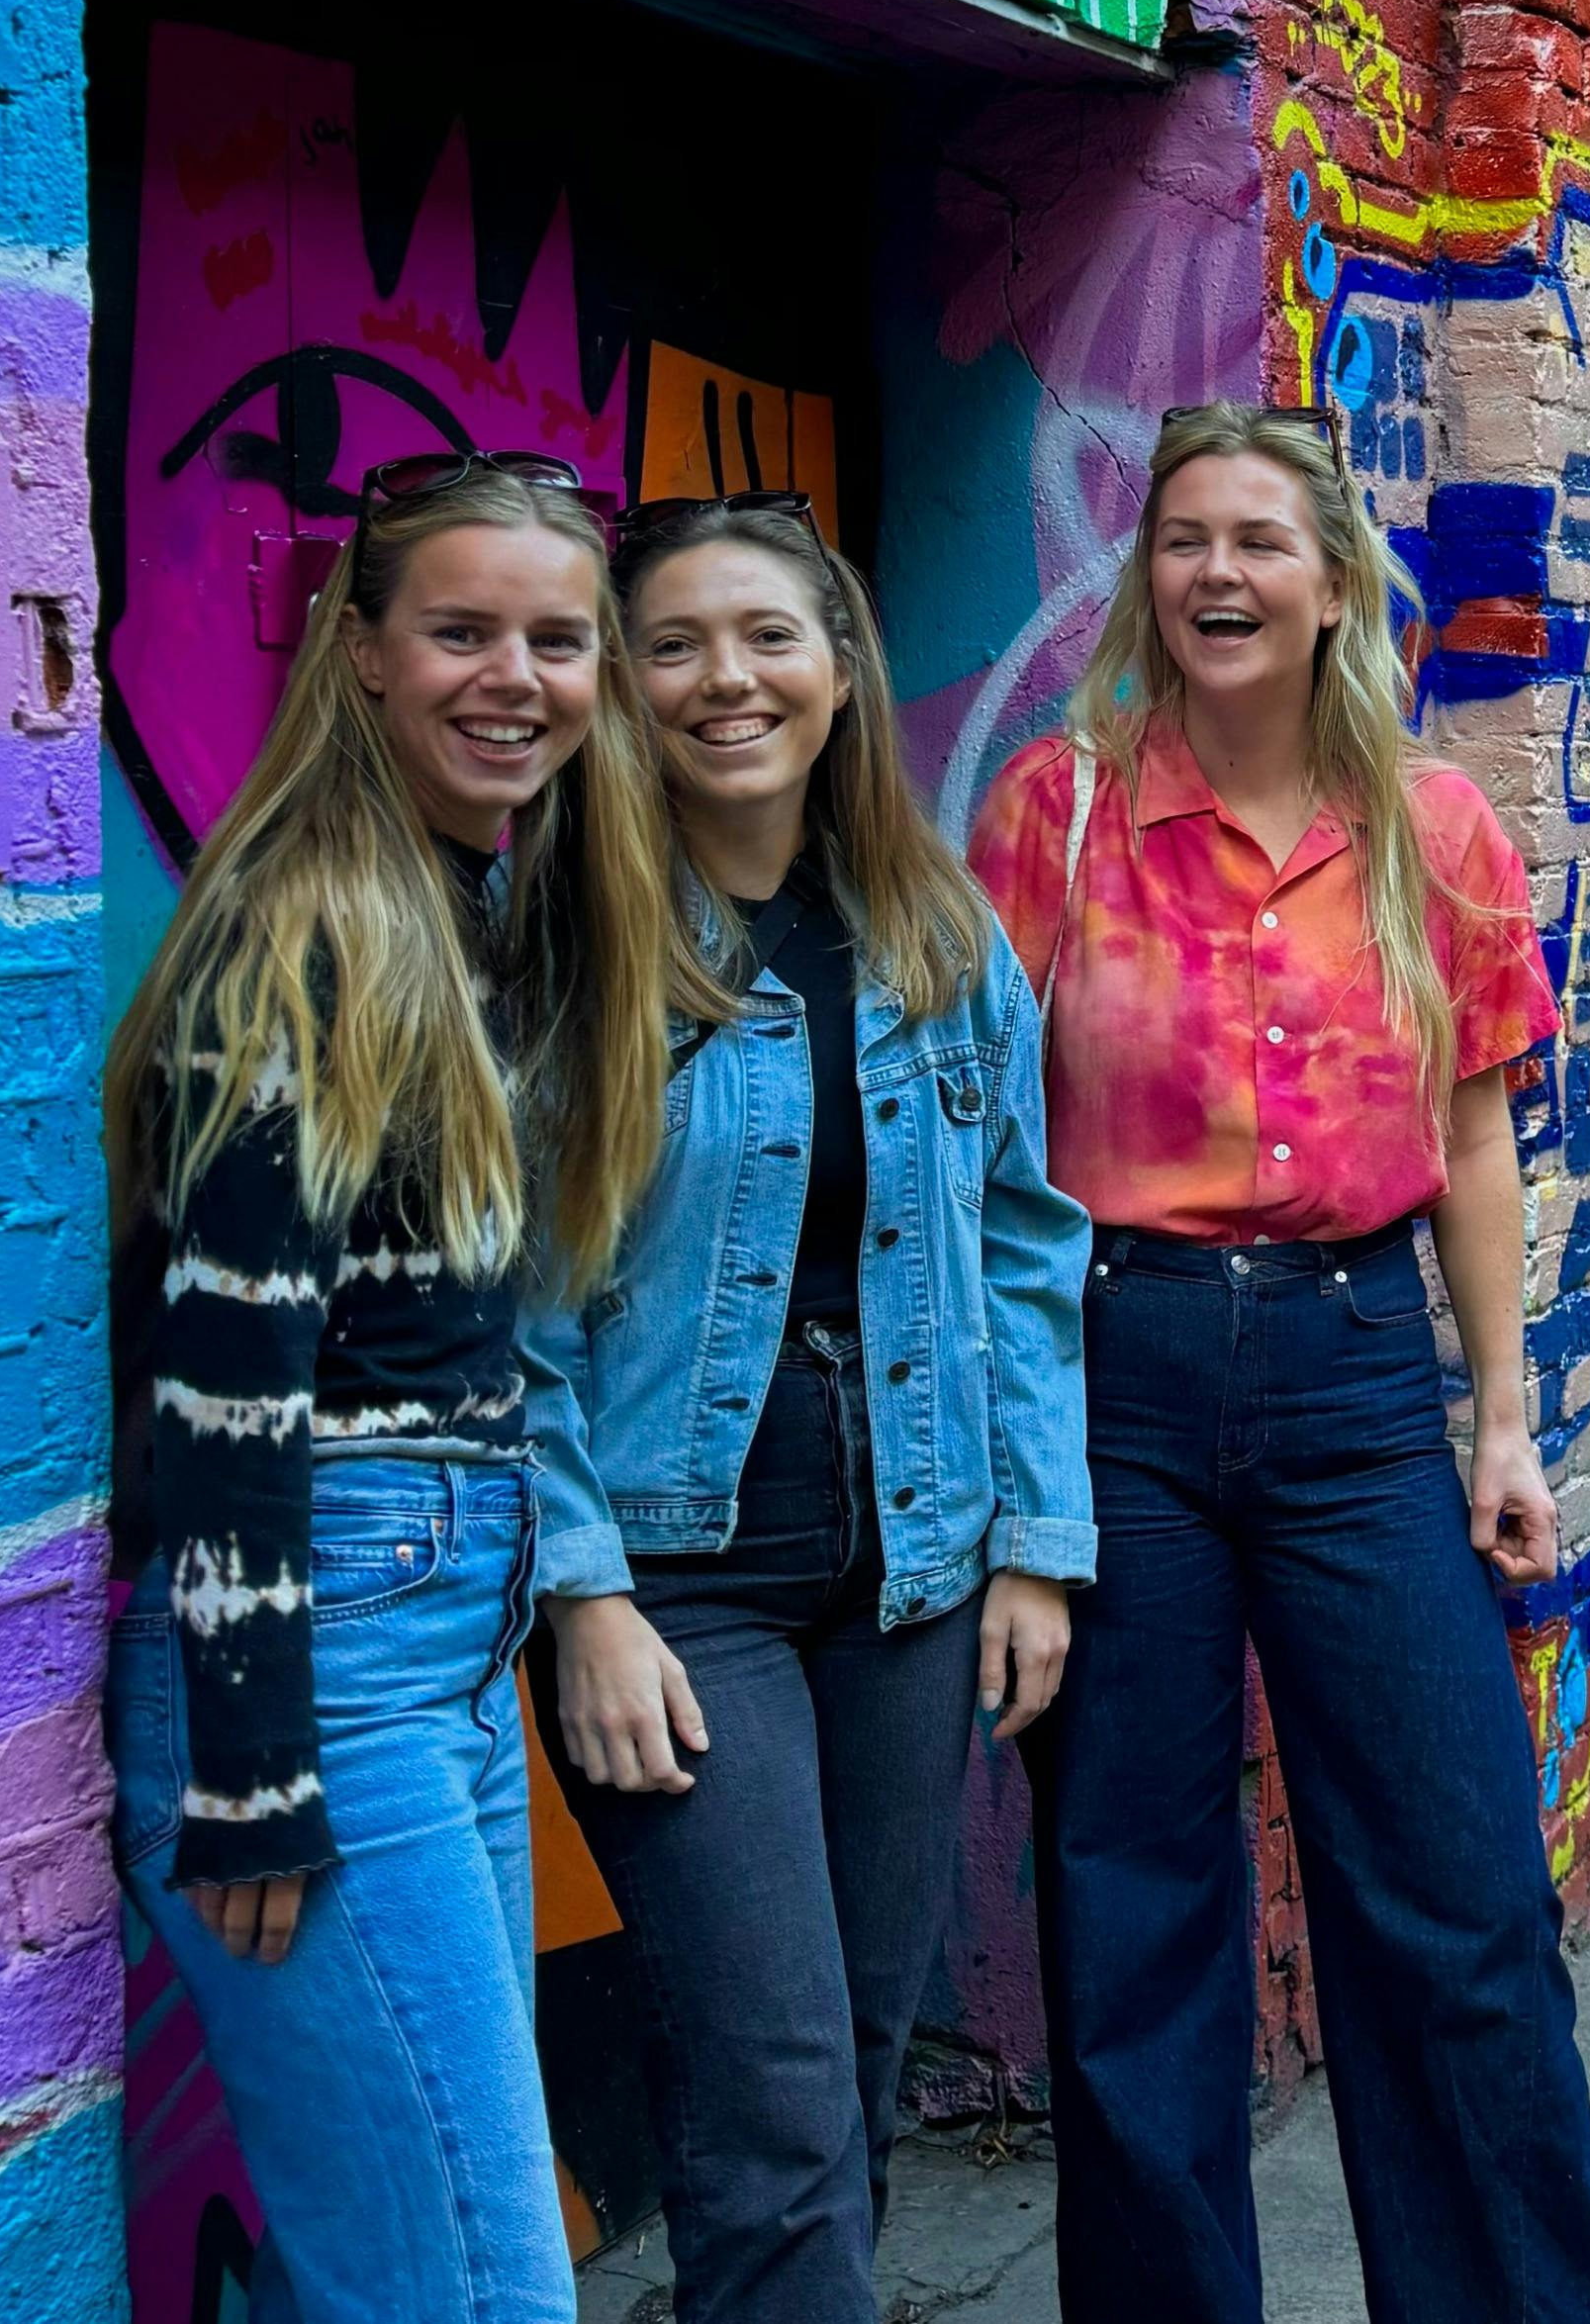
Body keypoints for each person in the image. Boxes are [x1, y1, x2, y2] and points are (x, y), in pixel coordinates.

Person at [966, 405, 1590, 2322]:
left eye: (1259, 539)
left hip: (1355, 1384)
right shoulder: (1055, 815)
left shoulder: (1434, 832)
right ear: (1145, 580)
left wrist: (1497, 1418)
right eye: (1181, 539)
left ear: (1333, 581)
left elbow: (1478, 1134)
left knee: (1463, 1909)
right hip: (1120, 1385)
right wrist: (1016, 1473)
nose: (1216, 574)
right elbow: (990, 1160)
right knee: (1131, 1921)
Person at [103, 457, 704, 2323]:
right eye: (458, 631)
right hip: (327, 1674)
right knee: (470, 2288)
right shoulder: (312, 925)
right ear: (361, 655)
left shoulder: (460, 909)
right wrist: (257, 1764)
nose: (511, 676)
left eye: (555, 637)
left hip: (430, 1647)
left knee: (389, 2265)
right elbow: (225, 1383)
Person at [528, 495, 1096, 2323]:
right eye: (674, 642)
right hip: (679, 1585)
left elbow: (1020, 1245)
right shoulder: (569, 943)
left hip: (913, 1575)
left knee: (842, 2066)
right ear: (625, 683)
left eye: (768, 635)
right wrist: (583, 1592)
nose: (726, 680)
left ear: (840, 668)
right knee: (776, 2096)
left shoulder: (935, 934)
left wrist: (1035, 1546)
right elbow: (506, 1304)